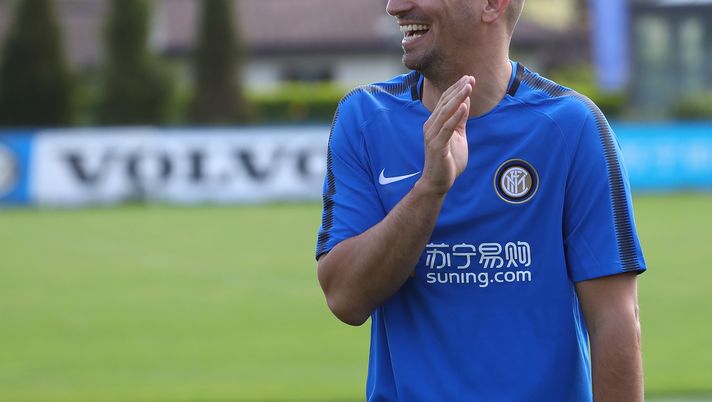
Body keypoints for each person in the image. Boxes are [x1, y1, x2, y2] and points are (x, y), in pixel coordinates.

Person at [315, 0, 646, 400]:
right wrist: (430, 189)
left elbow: (615, 319)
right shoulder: (365, 118)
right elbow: (345, 298)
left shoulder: (571, 127)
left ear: (491, 4)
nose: (394, 6)